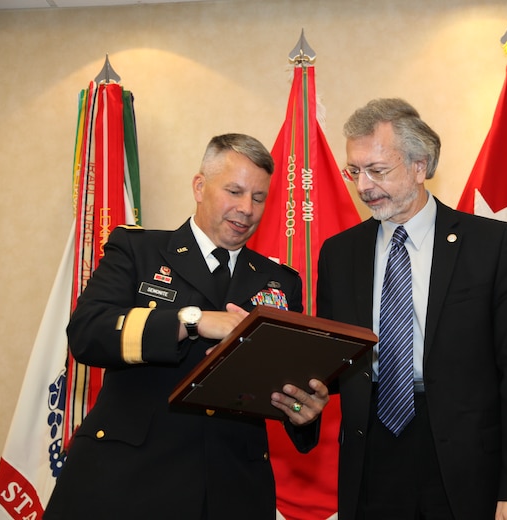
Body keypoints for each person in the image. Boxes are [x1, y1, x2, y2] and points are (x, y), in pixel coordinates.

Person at [44, 133, 329, 520]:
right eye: (234, 191)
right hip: (130, 483)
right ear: (199, 186)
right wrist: (191, 321)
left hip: (232, 490)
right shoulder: (137, 251)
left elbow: (283, 385)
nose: (246, 208)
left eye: (258, 197)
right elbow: (87, 333)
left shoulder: (278, 281)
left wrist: (302, 409)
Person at [316, 99, 507, 520]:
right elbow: (332, 363)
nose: (363, 186)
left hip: (464, 463)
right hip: (373, 456)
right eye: (355, 171)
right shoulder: (338, 254)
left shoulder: (489, 246)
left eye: (378, 170)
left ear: (420, 166)